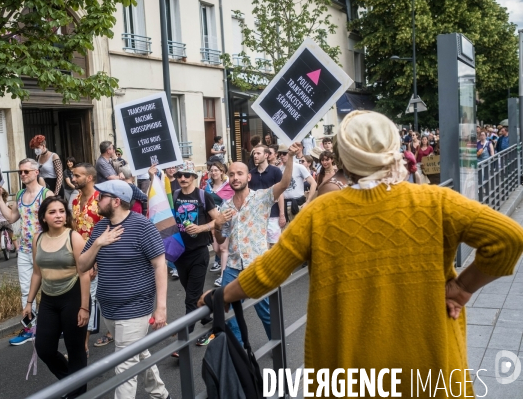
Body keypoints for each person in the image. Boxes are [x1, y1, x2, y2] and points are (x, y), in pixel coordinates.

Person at [200, 110, 523, 397]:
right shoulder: (436, 201)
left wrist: (220, 295)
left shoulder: (321, 213)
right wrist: (462, 288)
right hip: (429, 367)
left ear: (343, 159)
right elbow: (508, 237)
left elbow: (267, 271)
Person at [78, 180, 169, 399]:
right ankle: (161, 395)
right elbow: (82, 265)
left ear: (116, 201)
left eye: (102, 197)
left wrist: (161, 308)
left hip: (135, 308)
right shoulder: (100, 227)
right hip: (108, 308)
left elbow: (160, 265)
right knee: (139, 353)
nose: (97, 200)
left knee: (124, 365)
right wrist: (99, 243)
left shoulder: (142, 226)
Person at [213, 143, 298, 343]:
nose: (235, 177)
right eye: (232, 174)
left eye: (240, 173)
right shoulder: (224, 207)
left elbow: (284, 184)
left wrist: (291, 157)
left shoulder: (262, 197)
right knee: (229, 314)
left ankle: (278, 349)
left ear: (248, 177)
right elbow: (221, 239)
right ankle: (241, 352)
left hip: (257, 266)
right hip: (233, 267)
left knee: (267, 314)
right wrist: (216, 225)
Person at [23, 196, 90, 398]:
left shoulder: (74, 237)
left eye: (61, 211)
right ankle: (71, 381)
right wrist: (28, 302)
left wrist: (84, 307)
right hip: (49, 299)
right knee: (44, 348)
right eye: (52, 212)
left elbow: (84, 273)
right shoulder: (38, 238)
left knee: (75, 349)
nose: (58, 216)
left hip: (73, 297)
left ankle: (77, 393)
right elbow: (37, 272)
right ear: (43, 217)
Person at [0, 158, 54, 345]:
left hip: (45, 250)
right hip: (25, 250)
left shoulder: (46, 194)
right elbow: (11, 218)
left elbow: (56, 219)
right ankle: (31, 328)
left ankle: (52, 326)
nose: (23, 175)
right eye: (21, 172)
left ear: (36, 172)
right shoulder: (20, 194)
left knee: (51, 289)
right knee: (26, 291)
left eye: (26, 171)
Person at [172, 161, 219, 350]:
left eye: (186, 175)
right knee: (193, 291)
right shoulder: (175, 195)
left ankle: (184, 339)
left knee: (190, 298)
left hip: (199, 252)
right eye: (179, 175)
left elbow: (218, 219)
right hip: (180, 253)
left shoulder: (203, 195)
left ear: (194, 177)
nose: (182, 178)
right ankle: (208, 314)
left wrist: (201, 227)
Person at [71, 163, 110, 351]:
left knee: (93, 298)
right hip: (81, 258)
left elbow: (106, 231)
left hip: (99, 258)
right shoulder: (76, 200)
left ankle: (83, 345)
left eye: (77, 175)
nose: (73, 179)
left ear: (89, 178)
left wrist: (96, 261)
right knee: (92, 297)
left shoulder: (100, 200)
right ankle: (110, 331)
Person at [249, 144, 285, 249]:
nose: (255, 155)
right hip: (257, 215)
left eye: (258, 153)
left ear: (266, 155)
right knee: (260, 245)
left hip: (273, 214)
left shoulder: (275, 171)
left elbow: (281, 193)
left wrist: (281, 214)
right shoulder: (251, 173)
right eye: (254, 153)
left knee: (274, 245)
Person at [205, 161, 234, 287]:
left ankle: (223, 276)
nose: (214, 172)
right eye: (212, 170)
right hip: (212, 221)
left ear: (222, 171)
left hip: (226, 220)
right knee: (216, 249)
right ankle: (229, 267)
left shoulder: (228, 186)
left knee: (223, 248)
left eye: (216, 170)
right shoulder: (207, 187)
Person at [278, 144, 316, 223]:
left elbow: (313, 183)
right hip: (284, 205)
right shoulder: (279, 169)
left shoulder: (299, 167)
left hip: (298, 203)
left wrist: (308, 201)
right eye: (279, 154)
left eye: (284, 153)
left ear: (290, 153)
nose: (281, 156)